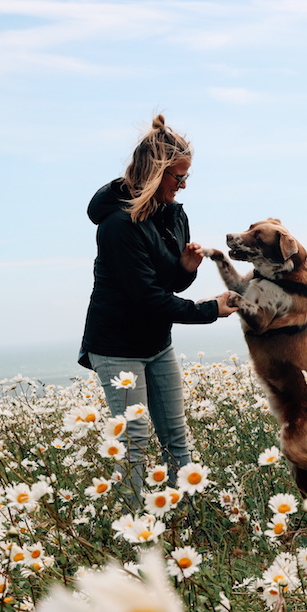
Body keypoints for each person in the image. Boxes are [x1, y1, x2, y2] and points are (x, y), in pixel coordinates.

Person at [78, 114, 235, 504]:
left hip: (155, 341)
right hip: (115, 347)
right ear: (153, 173)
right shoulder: (117, 225)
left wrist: (184, 270)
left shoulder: (175, 215)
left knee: (175, 436)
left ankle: (192, 517)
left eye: (186, 178)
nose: (182, 187)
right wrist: (210, 310)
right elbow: (147, 298)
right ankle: (133, 530)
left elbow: (165, 286)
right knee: (134, 442)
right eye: (176, 177)